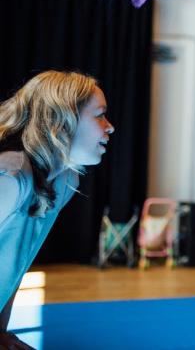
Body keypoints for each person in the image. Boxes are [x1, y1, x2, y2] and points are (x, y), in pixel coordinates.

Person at [0, 71, 114, 349]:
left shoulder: (64, 182)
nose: (110, 126)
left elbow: (16, 265)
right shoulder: (11, 177)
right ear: (60, 121)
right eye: (99, 115)